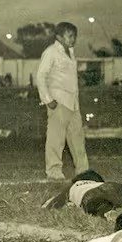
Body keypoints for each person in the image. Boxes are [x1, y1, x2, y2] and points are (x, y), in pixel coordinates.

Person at [36, 22, 88, 180]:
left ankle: (83, 172)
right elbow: (40, 76)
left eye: (75, 35)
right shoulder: (51, 52)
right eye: (70, 35)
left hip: (73, 102)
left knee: (78, 139)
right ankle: (53, 172)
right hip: (58, 101)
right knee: (56, 139)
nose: (73, 39)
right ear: (58, 36)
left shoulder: (71, 53)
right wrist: (48, 99)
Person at [41, 169, 122, 217]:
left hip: (89, 196)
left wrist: (47, 206)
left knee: (97, 208)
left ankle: (107, 211)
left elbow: (54, 204)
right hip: (112, 186)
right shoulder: (98, 183)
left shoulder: (73, 187)